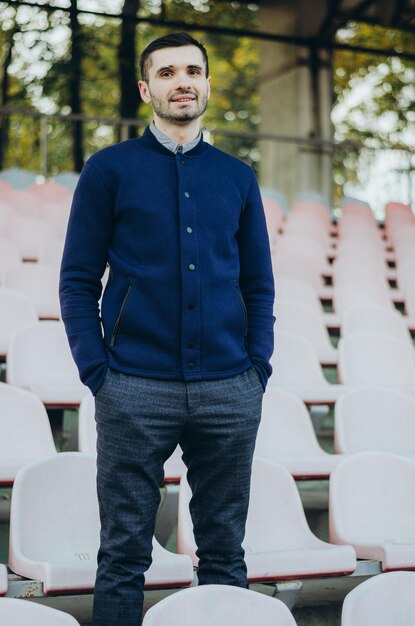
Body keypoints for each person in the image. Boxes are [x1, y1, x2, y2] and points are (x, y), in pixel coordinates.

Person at [59, 32, 275, 626]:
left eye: (194, 71)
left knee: (226, 555)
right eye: (168, 72)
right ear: (146, 87)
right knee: (123, 555)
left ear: (207, 83)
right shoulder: (109, 171)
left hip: (230, 388)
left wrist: (257, 370)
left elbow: (259, 284)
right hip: (133, 387)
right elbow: (77, 280)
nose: (183, 81)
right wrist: (98, 372)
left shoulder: (238, 177)